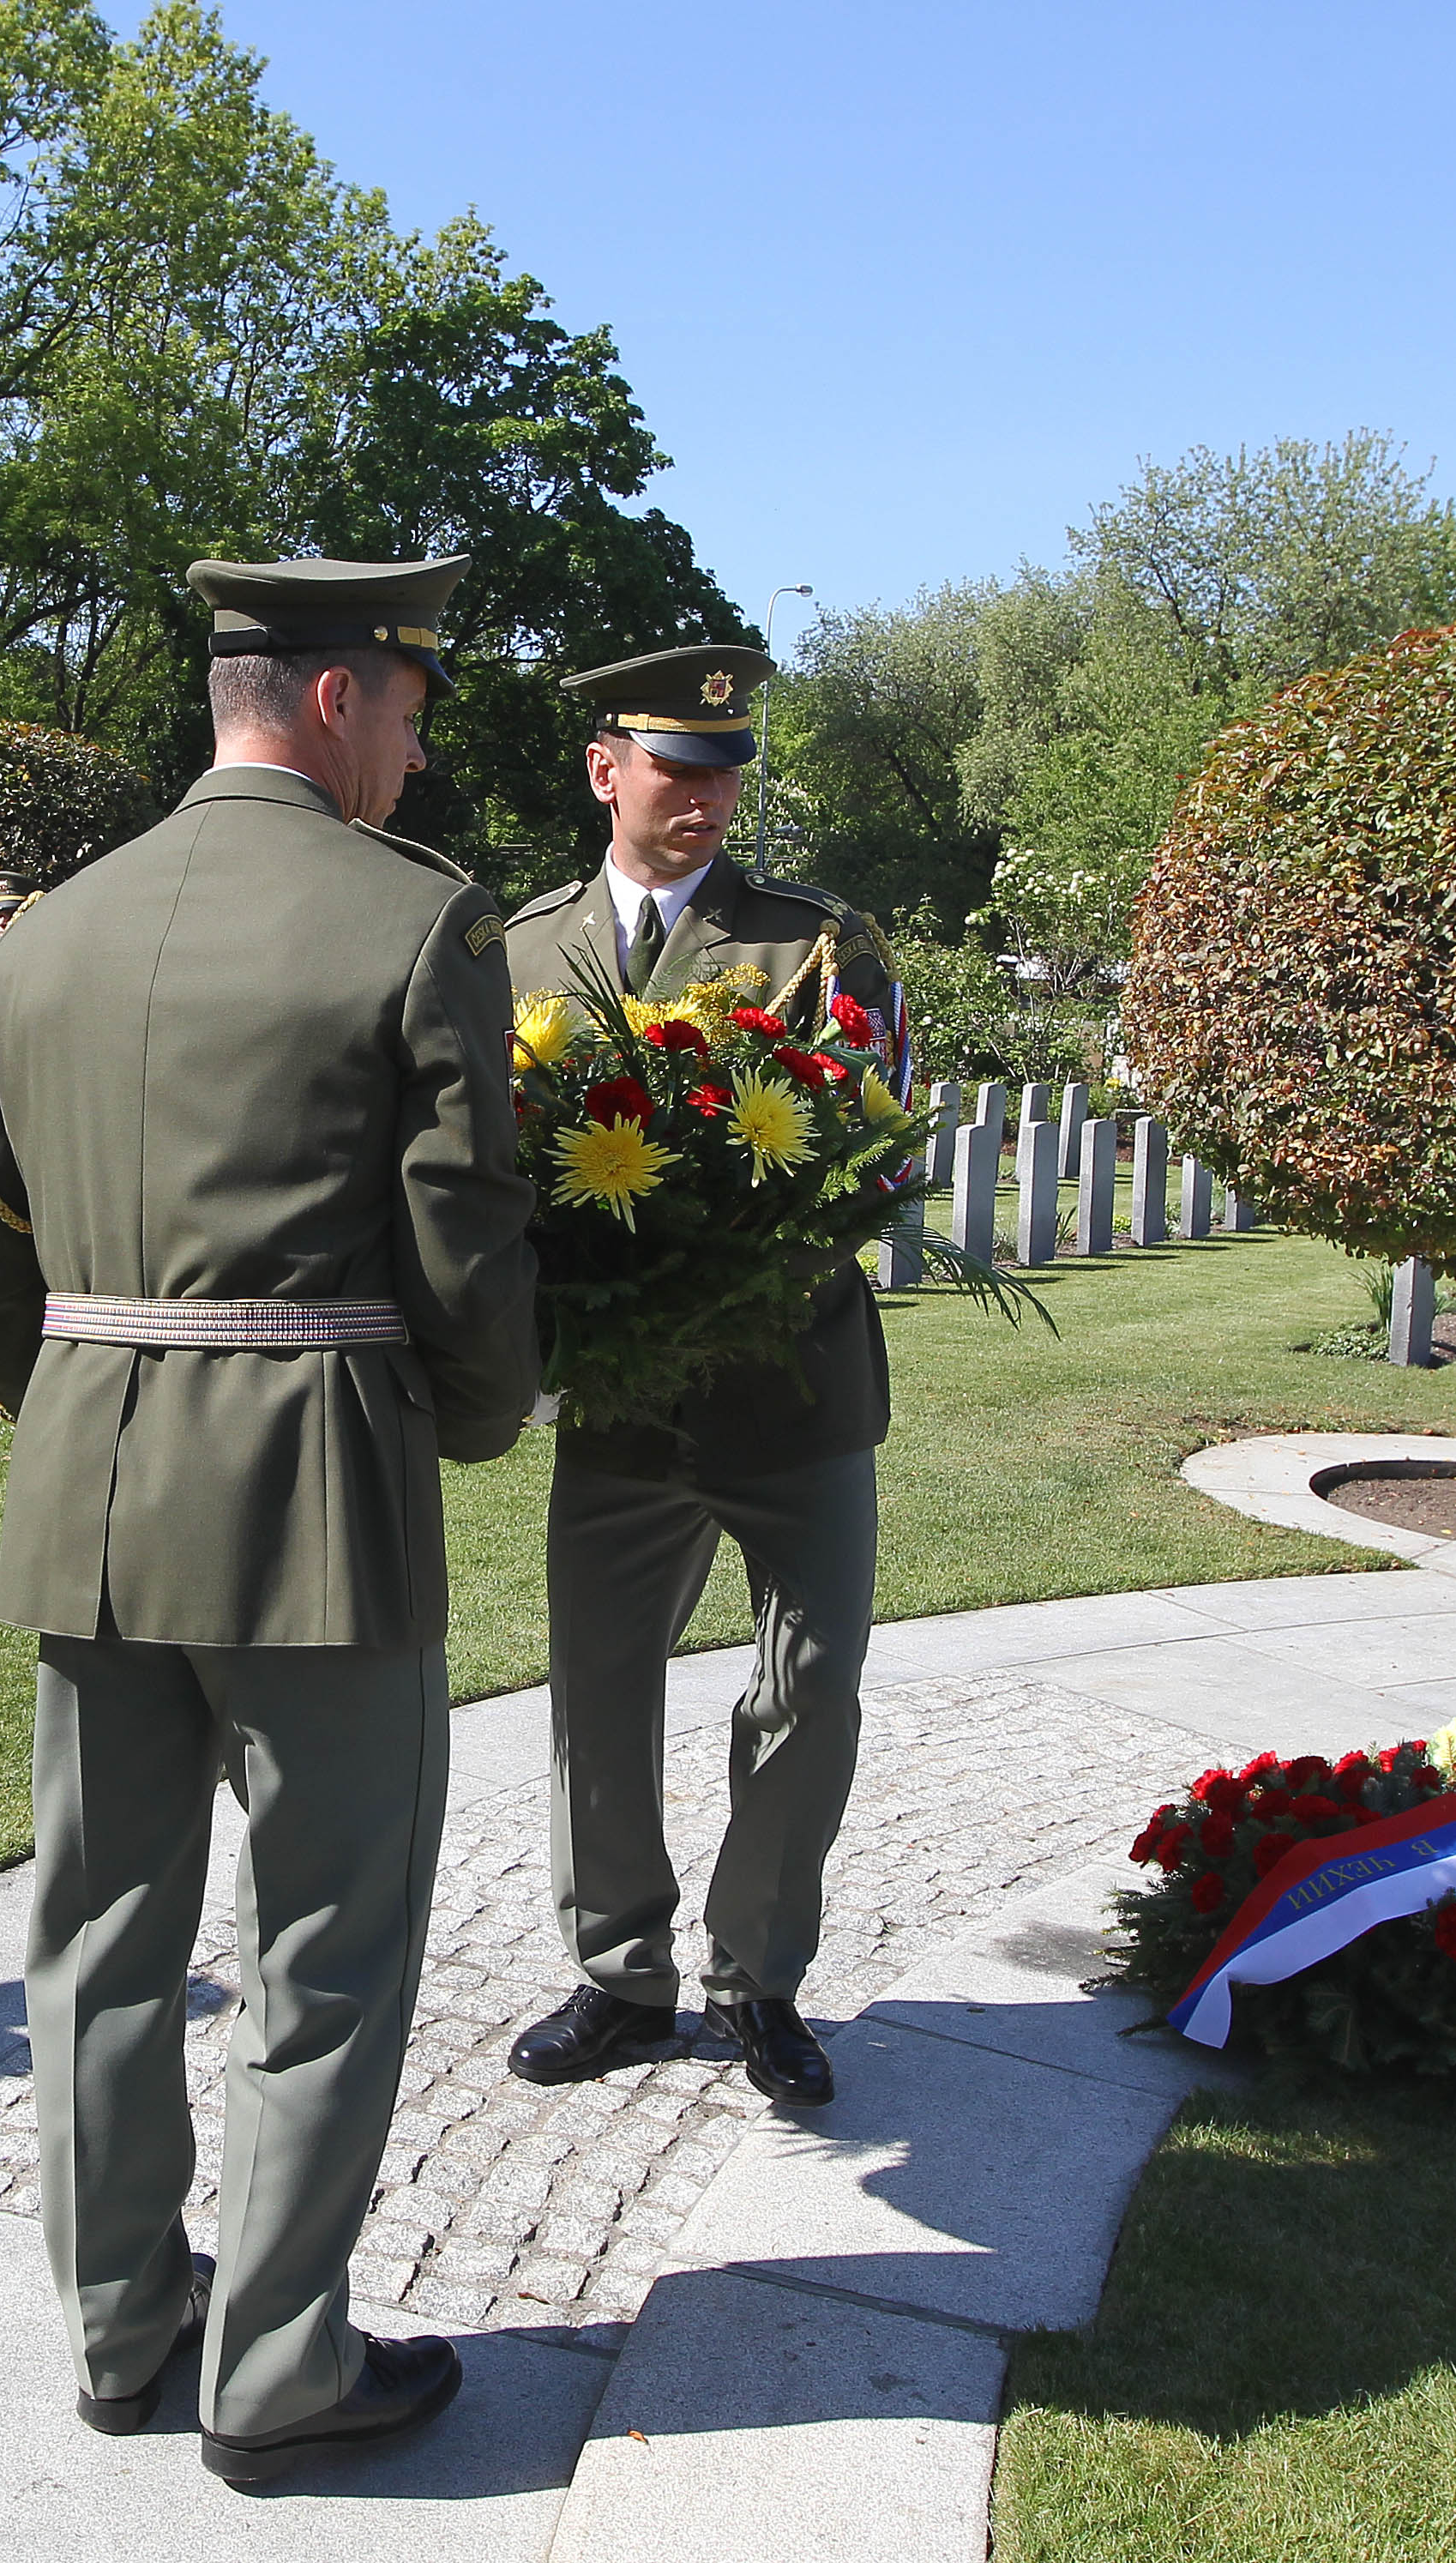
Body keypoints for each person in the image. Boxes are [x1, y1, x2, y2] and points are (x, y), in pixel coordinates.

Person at [0, 552, 537, 2484]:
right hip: (314, 1494)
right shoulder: (414, 921)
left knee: (100, 1934)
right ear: (342, 695)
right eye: (418, 708)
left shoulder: (47, 936)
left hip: (92, 1490)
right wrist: (475, 1413)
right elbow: (462, 1243)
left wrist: (72, 1406)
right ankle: (276, 2369)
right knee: (327, 1946)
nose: (422, 747)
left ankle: (122, 2333)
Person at [496, 645, 898, 2112]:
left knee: (811, 1693)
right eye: (680, 767)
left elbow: (875, 1152)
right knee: (599, 1695)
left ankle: (758, 1976)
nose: (710, 796)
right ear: (608, 769)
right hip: (619, 1403)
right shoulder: (522, 951)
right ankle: (618, 1972)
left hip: (793, 1391)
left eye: (730, 770)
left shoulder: (814, 942)